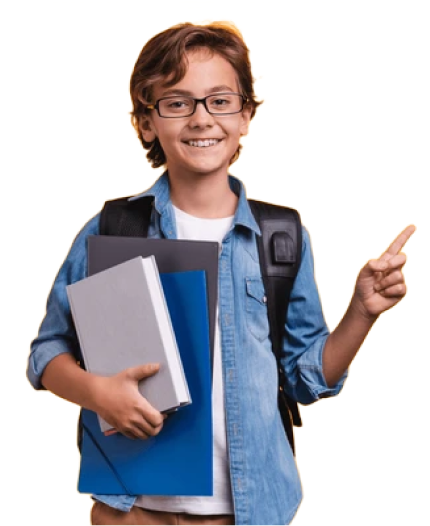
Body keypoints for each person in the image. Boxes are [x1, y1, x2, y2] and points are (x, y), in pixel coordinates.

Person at [24, 17, 416, 526]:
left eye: (220, 100)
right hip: (132, 510)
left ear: (246, 115)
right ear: (148, 122)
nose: (201, 118)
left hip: (249, 510)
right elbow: (48, 348)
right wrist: (95, 394)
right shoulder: (112, 228)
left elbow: (306, 378)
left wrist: (361, 314)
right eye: (177, 102)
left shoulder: (282, 235)